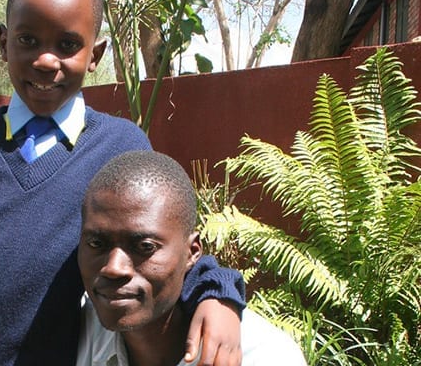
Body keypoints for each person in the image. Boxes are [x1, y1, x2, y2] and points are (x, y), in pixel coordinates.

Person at [0, 0, 247, 365]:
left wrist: (220, 295)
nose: (44, 60)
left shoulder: (120, 148)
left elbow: (164, 249)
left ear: (95, 55)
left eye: (67, 44)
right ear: (4, 43)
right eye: (27, 40)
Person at [76, 150, 308, 366]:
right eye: (96, 244)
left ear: (193, 252)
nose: (114, 268)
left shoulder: (263, 356)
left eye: (145, 247)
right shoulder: (73, 330)